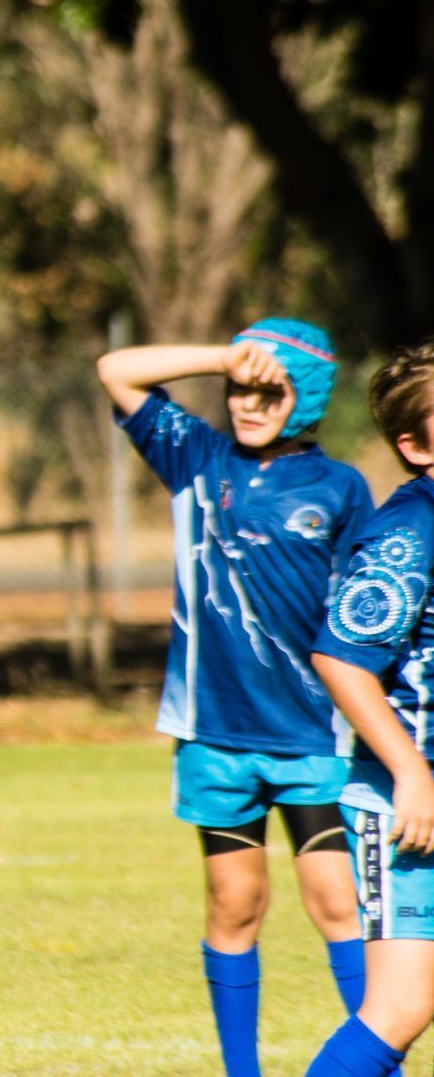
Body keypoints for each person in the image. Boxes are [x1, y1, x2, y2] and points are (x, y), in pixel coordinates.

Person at [96, 318, 375, 1077]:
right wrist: (222, 355)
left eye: (268, 389)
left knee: (338, 905)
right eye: (237, 388)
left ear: (305, 398)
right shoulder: (194, 456)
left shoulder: (341, 488)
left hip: (316, 738)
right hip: (215, 736)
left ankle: (374, 1058)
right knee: (234, 906)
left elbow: (364, 617)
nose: (247, 402)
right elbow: (117, 368)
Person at [306, 344, 434, 1075]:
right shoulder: (411, 527)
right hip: (410, 799)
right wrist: (411, 774)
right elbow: (342, 657)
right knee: (400, 1006)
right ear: (414, 445)